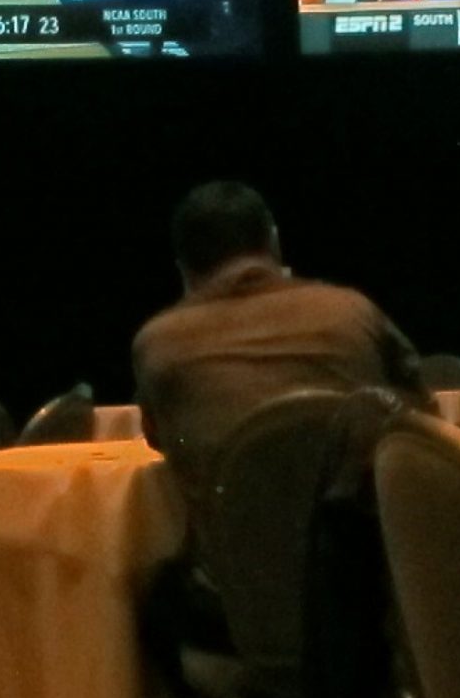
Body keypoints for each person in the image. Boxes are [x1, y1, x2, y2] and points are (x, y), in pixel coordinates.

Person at [134, 180, 427, 553]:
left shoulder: (158, 342)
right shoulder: (351, 311)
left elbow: (160, 438)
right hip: (369, 577)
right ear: (273, 241)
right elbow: (419, 417)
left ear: (183, 269)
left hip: (232, 583)